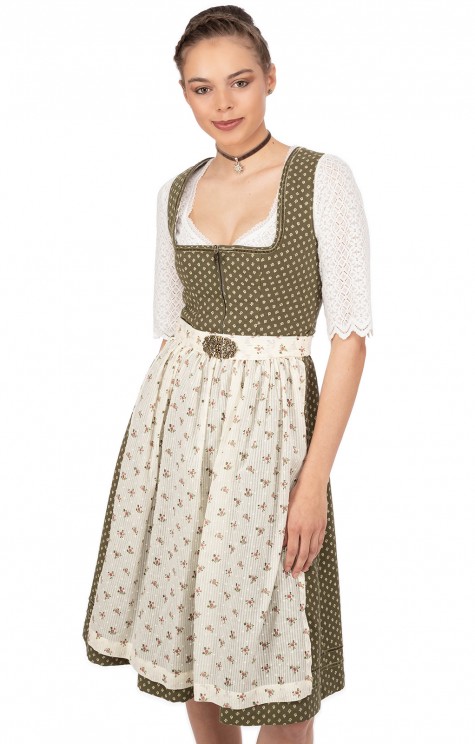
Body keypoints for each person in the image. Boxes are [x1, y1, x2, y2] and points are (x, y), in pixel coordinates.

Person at [83, 5, 374, 743]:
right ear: (183, 93)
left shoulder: (322, 179)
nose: (223, 104)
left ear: (270, 78)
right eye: (201, 88)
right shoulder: (175, 192)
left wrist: (313, 481)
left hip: (270, 430)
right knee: (192, 624)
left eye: (239, 82)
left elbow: (349, 341)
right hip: (176, 424)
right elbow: (170, 331)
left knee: (276, 635)